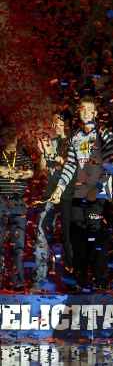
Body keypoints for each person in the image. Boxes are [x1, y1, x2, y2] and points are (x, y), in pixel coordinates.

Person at [49, 97, 113, 292]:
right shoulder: (75, 137)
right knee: (77, 244)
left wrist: (97, 187)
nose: (87, 112)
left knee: (98, 243)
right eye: (83, 109)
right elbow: (70, 165)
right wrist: (60, 188)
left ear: (96, 113)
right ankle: (82, 282)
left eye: (90, 109)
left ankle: (101, 283)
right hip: (79, 197)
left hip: (99, 197)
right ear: (78, 113)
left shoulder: (104, 134)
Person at [32, 113, 76, 293]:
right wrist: (44, 154)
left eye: (58, 121)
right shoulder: (52, 142)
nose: (54, 124)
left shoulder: (74, 141)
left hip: (68, 195)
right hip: (50, 194)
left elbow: (72, 165)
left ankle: (70, 280)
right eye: (53, 121)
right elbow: (42, 170)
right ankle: (40, 280)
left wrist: (54, 156)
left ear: (66, 123)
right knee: (41, 233)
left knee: (68, 237)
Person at [0, 120, 34, 291]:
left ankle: (18, 282)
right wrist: (12, 172)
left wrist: (13, 172)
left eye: (13, 133)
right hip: (1, 201)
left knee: (18, 245)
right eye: (7, 134)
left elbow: (30, 172)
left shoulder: (22, 152)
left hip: (19, 202)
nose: (11, 137)